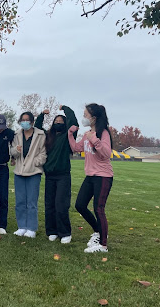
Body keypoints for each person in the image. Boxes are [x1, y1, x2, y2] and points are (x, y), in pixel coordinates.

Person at [68, 103, 114, 253]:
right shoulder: (87, 133)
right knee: (80, 205)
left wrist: (94, 139)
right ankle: (97, 232)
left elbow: (107, 153)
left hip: (103, 176)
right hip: (90, 176)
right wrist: (70, 134)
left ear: (94, 118)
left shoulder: (103, 133)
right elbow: (76, 148)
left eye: (85, 115)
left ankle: (103, 245)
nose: (84, 118)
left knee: (98, 209)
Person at [34, 106, 78, 244]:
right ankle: (51, 231)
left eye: (61, 121)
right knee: (49, 204)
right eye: (56, 121)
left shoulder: (68, 136)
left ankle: (65, 232)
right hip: (50, 175)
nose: (58, 123)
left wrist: (66, 109)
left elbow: (74, 123)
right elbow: (37, 127)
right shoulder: (49, 136)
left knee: (61, 204)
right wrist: (42, 115)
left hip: (63, 175)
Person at [10, 112, 47, 238]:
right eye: (22, 120)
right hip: (19, 171)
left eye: (27, 120)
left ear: (32, 121)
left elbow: (43, 153)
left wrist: (35, 163)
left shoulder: (40, 135)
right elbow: (12, 151)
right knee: (20, 201)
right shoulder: (17, 134)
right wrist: (16, 151)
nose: (25, 122)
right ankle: (21, 226)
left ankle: (31, 228)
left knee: (31, 202)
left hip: (33, 172)